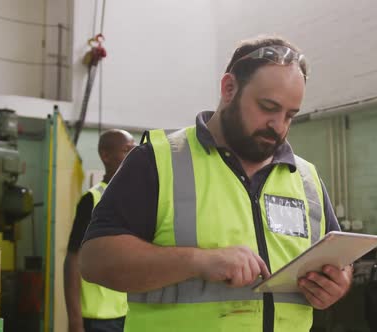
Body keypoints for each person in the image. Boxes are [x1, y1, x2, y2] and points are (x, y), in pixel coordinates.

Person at [80, 36, 353, 332]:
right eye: (267, 107)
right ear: (229, 88)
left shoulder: (306, 178)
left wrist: (337, 283)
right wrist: (198, 261)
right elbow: (96, 261)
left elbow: (338, 258)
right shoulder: (158, 161)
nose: (279, 126)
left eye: (290, 115)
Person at [64, 129, 136, 332]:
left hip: (127, 313)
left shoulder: (133, 200)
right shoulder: (92, 200)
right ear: (105, 155)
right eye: (127, 150)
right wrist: (75, 320)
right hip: (97, 319)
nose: (133, 155)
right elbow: (72, 260)